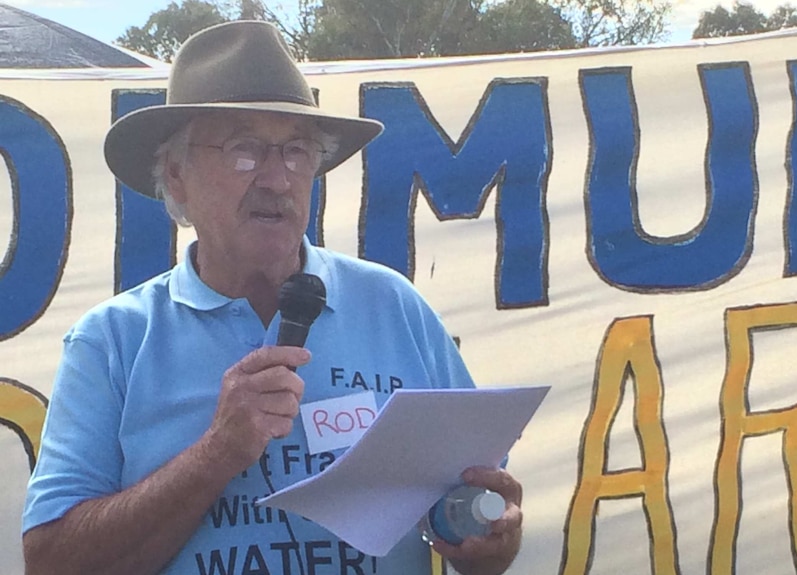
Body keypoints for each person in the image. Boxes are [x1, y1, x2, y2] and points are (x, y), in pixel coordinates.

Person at [21, 20, 523, 575]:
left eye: (296, 151)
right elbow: (50, 562)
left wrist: (489, 537)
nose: (277, 179)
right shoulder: (112, 341)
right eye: (245, 150)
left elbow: (478, 507)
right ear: (177, 176)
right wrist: (218, 452)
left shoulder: (393, 306)